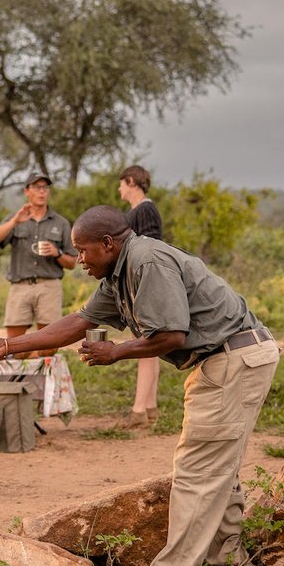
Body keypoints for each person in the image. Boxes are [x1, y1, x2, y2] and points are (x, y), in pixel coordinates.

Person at [0, 205, 278, 566]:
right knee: (215, 475)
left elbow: (172, 334)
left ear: (108, 244)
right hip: (222, 361)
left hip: (233, 359)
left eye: (82, 250)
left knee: (197, 477)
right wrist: (8, 346)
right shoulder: (118, 273)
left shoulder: (146, 261)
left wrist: (116, 351)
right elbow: (79, 321)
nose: (78, 259)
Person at [0, 173, 78, 341]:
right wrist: (14, 222)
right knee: (14, 345)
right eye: (37, 187)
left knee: (49, 344)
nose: (42, 192)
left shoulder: (61, 223)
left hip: (49, 287)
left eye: (45, 187)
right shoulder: (16, 218)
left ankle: (40, 360)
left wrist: (57, 253)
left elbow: (72, 263)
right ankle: (32, 359)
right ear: (27, 192)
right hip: (20, 287)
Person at [119, 164, 164, 428]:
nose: (119, 189)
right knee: (151, 347)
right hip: (142, 284)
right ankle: (149, 408)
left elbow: (150, 248)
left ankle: (138, 411)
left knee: (145, 346)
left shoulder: (144, 209)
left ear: (132, 181)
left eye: (122, 183)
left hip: (145, 284)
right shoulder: (137, 211)